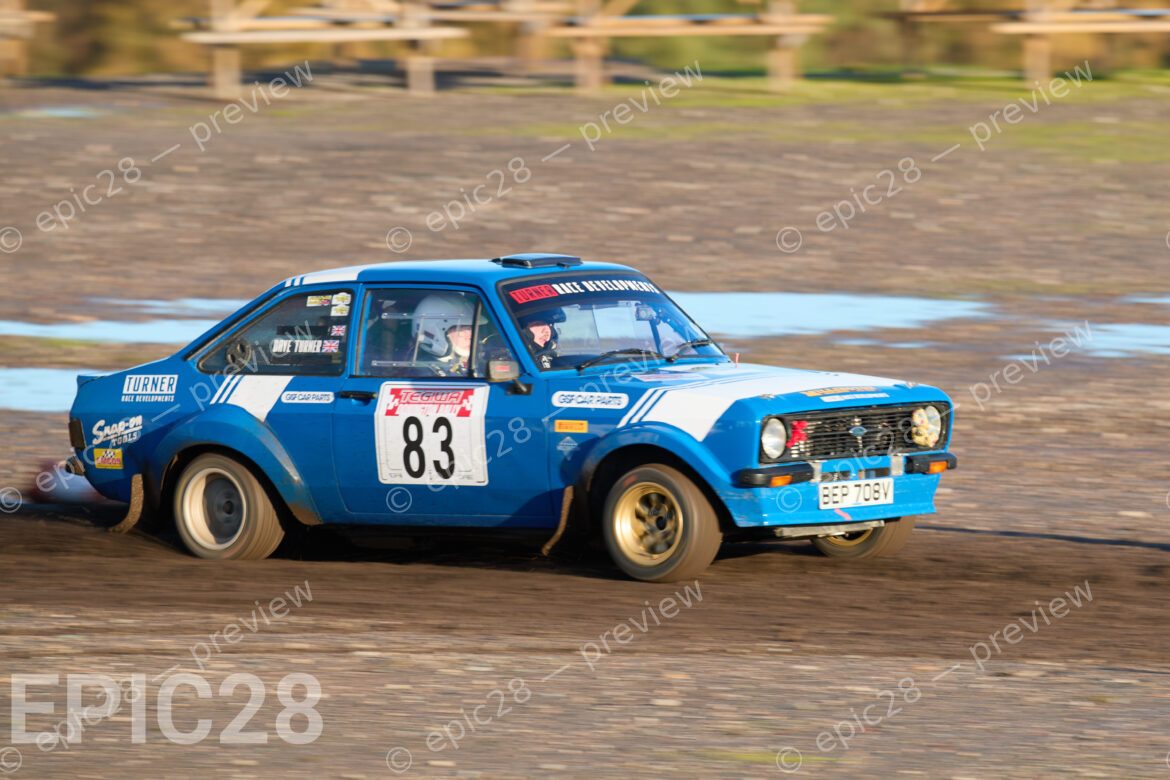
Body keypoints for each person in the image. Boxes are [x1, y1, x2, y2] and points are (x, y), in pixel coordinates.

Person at [412, 293, 475, 377]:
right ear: (434, 333)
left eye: (471, 329)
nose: (470, 336)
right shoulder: (422, 373)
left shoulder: (467, 362)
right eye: (461, 330)